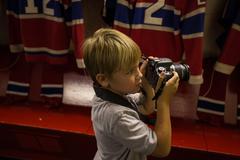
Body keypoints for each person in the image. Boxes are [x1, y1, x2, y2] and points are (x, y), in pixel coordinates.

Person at [83, 28, 179, 160]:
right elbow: (161, 149)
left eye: (137, 66)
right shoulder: (118, 116)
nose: (139, 74)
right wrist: (164, 102)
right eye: (130, 71)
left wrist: (146, 82)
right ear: (103, 79)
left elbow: (147, 107)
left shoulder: (112, 94)